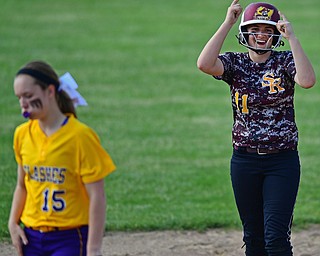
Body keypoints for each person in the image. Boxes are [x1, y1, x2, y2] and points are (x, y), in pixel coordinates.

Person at [197, 0, 315, 255]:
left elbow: (307, 81)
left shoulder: (284, 61)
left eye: (267, 30)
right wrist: (228, 22)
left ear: (275, 35)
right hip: (244, 160)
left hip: (281, 161)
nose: (261, 35)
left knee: (276, 238)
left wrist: (292, 38)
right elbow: (204, 64)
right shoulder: (236, 63)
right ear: (246, 32)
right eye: (255, 29)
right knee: (253, 237)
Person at [8, 60, 116, 256]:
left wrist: (93, 249)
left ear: (50, 91)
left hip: (70, 238)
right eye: (19, 97)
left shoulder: (80, 137)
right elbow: (22, 185)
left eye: (28, 96)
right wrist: (13, 223)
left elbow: (97, 196)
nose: (23, 104)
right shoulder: (22, 134)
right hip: (30, 236)